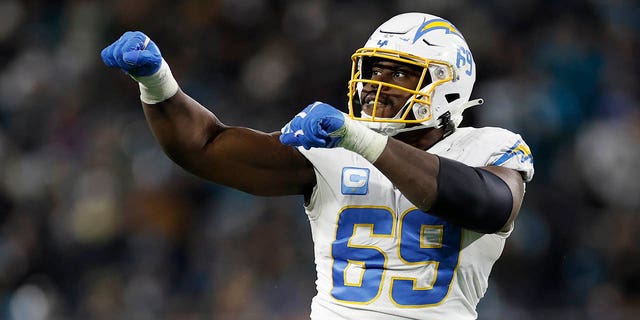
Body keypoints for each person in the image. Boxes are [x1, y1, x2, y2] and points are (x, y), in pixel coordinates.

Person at [101, 12, 534, 320]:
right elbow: (205, 147)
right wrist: (159, 82)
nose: (374, 85)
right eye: (372, 69)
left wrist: (359, 140)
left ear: (449, 87)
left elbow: (488, 205)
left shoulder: (488, 147)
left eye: (399, 73)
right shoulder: (334, 148)